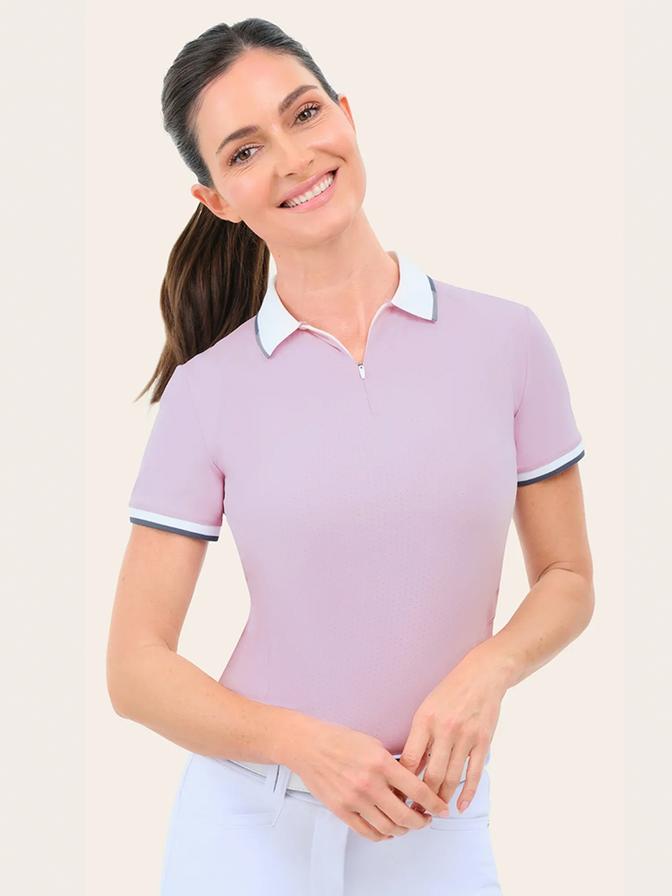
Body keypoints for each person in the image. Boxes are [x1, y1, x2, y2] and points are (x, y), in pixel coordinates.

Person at [106, 17, 594, 896]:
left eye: (304, 114)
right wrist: (304, 747)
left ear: (347, 114)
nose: (294, 159)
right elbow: (135, 668)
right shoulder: (207, 391)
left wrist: (486, 673)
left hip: (435, 812)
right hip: (251, 821)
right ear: (217, 200)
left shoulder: (507, 340)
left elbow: (567, 576)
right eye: (245, 151)